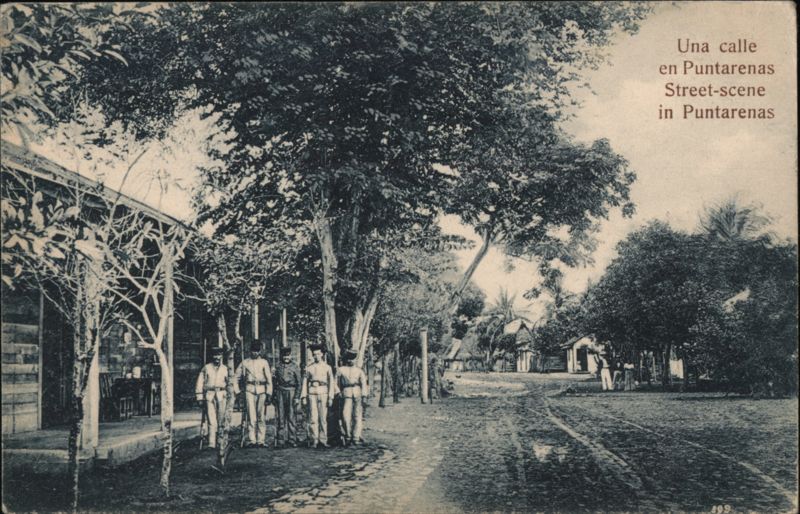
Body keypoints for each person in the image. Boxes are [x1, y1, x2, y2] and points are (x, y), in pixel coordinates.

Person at [234, 341, 272, 447]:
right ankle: (252, 440)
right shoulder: (245, 362)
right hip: (249, 390)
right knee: (251, 416)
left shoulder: (264, 362)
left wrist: (269, 393)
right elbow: (236, 377)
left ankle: (261, 440)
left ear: (260, 351)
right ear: (250, 351)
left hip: (262, 390)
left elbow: (269, 379)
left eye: (257, 351)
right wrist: (237, 392)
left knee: (261, 416)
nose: (255, 353)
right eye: (253, 351)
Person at [301, 344, 335, 448]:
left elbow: (331, 383)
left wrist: (330, 397)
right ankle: (314, 440)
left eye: (318, 354)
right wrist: (304, 397)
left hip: (323, 392)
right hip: (312, 393)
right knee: (313, 418)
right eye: (314, 354)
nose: (316, 356)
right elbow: (305, 382)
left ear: (322, 354)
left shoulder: (327, 367)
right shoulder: (309, 368)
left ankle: (323, 440)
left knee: (323, 418)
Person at [195, 347, 229, 449]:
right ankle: (211, 443)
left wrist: (235, 394)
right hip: (209, 395)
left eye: (219, 355)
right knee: (211, 419)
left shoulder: (225, 369)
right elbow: (200, 382)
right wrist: (199, 397)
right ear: (212, 356)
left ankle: (221, 441)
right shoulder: (206, 368)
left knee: (221, 419)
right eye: (215, 355)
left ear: (221, 356)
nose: (217, 357)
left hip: (222, 395)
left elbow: (230, 383)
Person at [336, 349, 369, 446]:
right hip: (346, 394)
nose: (351, 361)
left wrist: (364, 395)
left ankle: (356, 437)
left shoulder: (359, 371)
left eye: (353, 359)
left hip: (357, 393)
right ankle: (348, 436)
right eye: (349, 359)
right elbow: (336, 383)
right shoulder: (341, 370)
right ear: (346, 360)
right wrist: (338, 392)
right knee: (346, 416)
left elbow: (363, 383)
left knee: (357, 416)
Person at [274, 346, 302, 447]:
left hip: (292, 392)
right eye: (284, 356)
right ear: (282, 356)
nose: (286, 358)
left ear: (290, 356)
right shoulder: (277, 366)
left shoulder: (295, 367)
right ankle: (280, 440)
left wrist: (297, 397)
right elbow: (274, 382)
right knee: (280, 417)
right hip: (280, 392)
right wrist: (274, 396)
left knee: (291, 416)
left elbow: (299, 383)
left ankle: (292, 439)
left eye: (288, 356)